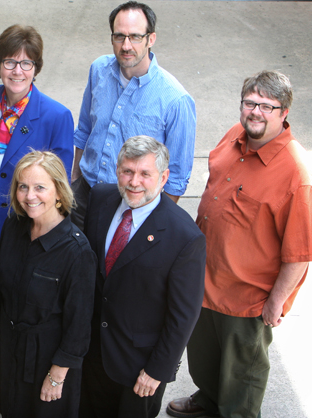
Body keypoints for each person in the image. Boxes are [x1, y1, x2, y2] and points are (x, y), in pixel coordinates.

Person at [166, 71, 312, 418]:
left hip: (247, 299)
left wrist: (275, 302)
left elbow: (300, 254)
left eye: (266, 106)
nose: (255, 112)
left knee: (242, 378)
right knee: (205, 359)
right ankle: (209, 399)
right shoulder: (235, 135)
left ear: (284, 112)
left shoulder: (295, 174)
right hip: (205, 283)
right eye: (250, 103)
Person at [0, 24, 74, 396]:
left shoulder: (56, 116)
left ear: (37, 68)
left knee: (13, 295)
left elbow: (59, 184)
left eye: (27, 63)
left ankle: (6, 371)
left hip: (23, 223)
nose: (18, 71)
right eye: (10, 62)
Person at [80, 136, 206, 418]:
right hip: (90, 354)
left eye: (144, 174)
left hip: (138, 369)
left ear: (163, 178)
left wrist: (157, 370)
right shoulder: (100, 197)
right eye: (127, 171)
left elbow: (183, 316)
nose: (134, 181)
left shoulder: (185, 238)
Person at [0, 151, 95, 418]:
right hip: (8, 348)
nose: (30, 196)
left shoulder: (78, 252)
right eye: (23, 187)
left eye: (40, 187)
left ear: (58, 191)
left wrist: (57, 375)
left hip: (48, 359)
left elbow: (78, 326)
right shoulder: (14, 226)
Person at [71, 1, 196, 229]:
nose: (126, 45)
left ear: (151, 39)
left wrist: (152, 223)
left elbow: (176, 176)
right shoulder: (98, 70)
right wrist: (75, 180)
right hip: (83, 196)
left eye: (135, 37)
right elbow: (85, 130)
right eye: (119, 36)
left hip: (130, 209)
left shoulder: (176, 100)